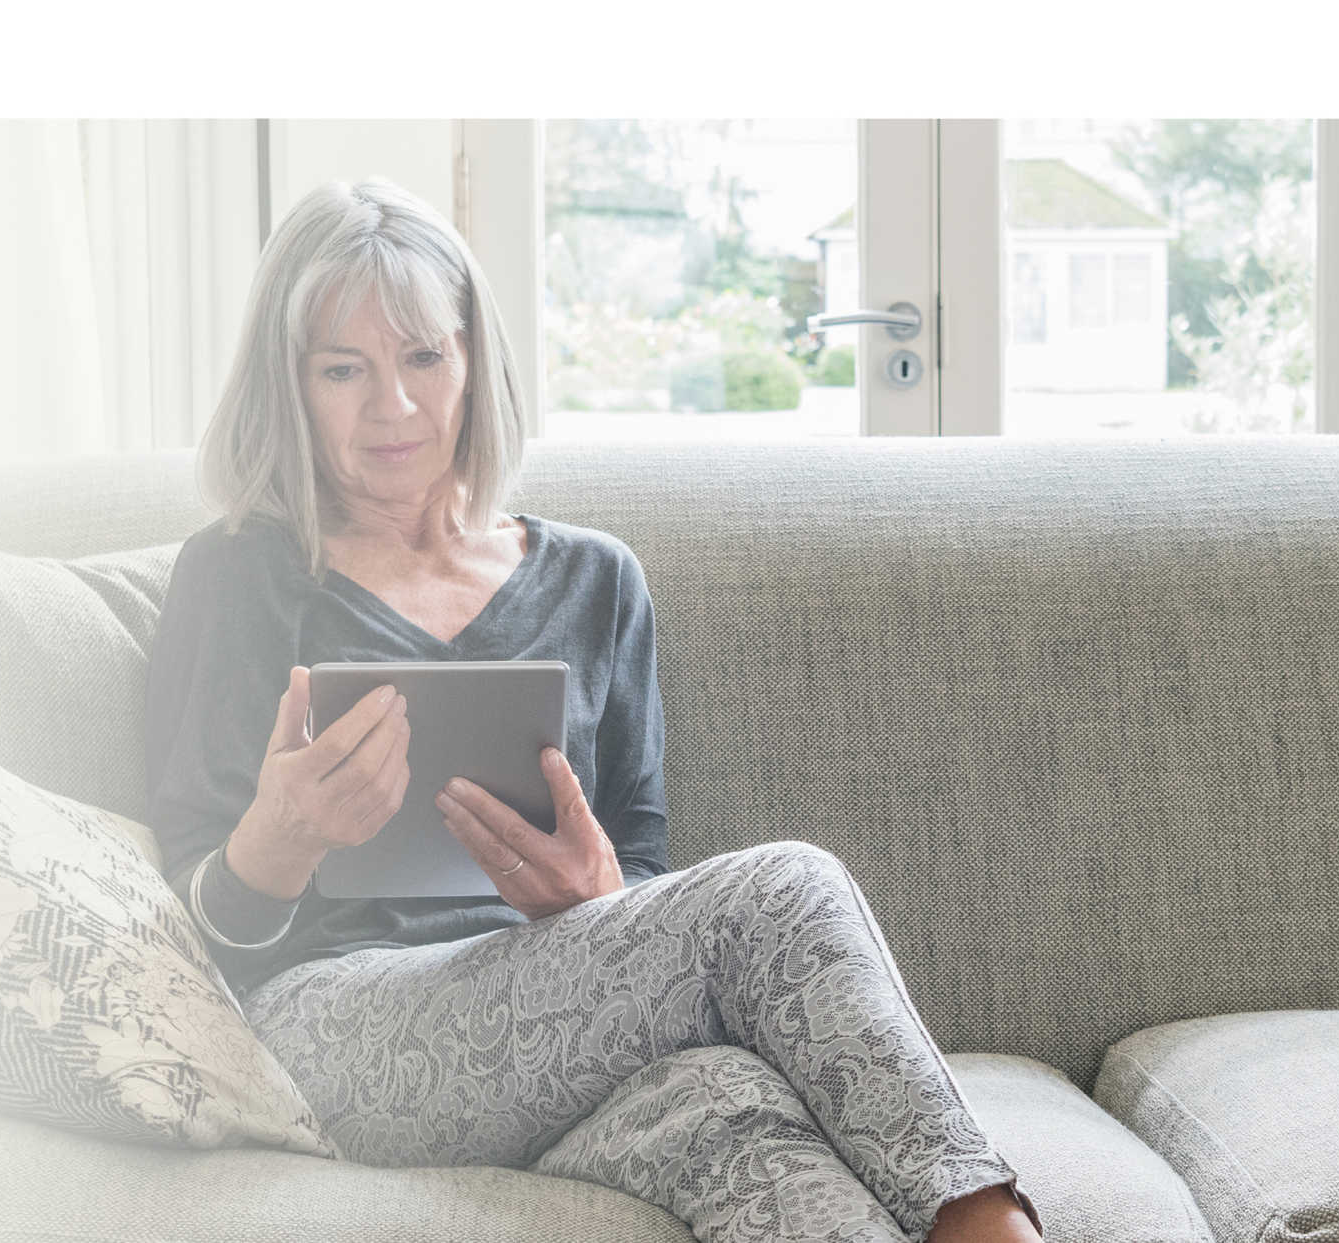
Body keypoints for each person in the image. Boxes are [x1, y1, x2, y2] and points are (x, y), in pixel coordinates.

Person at [140, 177, 1046, 1243]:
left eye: (424, 358)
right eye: (346, 370)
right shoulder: (242, 575)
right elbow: (199, 929)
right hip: (339, 1032)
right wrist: (277, 843)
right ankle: (993, 1226)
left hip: (568, 1033)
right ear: (290, 389)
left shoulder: (596, 581)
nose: (394, 406)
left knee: (740, 1125)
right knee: (785, 888)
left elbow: (647, 876)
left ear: (475, 363)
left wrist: (599, 896)